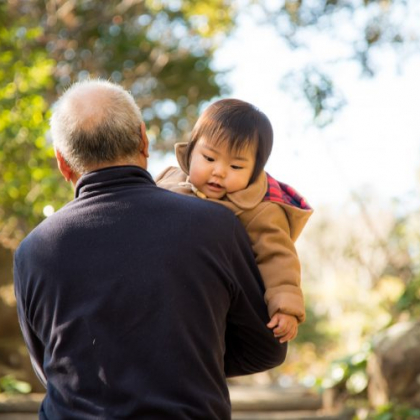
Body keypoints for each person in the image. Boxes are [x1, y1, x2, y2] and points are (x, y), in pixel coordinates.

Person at [13, 80, 287, 420]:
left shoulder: (32, 252)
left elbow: (49, 367)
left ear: (62, 163)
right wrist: (184, 359)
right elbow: (267, 348)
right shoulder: (217, 226)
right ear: (144, 139)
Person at [156, 99, 313, 343]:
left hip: (212, 304)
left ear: (255, 171)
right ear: (191, 150)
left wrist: (285, 307)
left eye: (236, 166)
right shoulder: (168, 180)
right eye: (209, 158)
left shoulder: (261, 210)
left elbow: (278, 258)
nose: (219, 171)